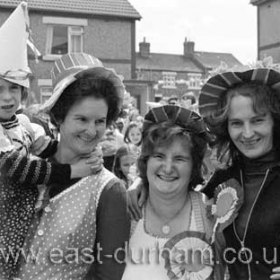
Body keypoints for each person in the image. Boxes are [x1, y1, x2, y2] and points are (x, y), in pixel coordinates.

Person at [0, 4, 101, 279]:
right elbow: (17, 168)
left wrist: (83, 150)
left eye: (13, 88)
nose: (7, 97)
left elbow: (51, 148)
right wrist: (71, 171)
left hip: (23, 221)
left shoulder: (23, 125)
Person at [16, 52, 130, 280]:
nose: (91, 131)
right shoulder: (27, 168)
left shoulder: (109, 190)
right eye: (82, 119)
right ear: (59, 118)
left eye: (100, 121)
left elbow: (109, 273)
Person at [122, 105, 223, 280]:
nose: (168, 168)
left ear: (194, 166)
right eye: (159, 156)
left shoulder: (210, 215)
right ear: (146, 161)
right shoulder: (126, 213)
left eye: (179, 158)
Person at [198, 66, 280, 280]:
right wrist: (140, 186)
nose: (247, 133)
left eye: (257, 120)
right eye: (236, 123)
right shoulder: (222, 180)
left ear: (275, 121)